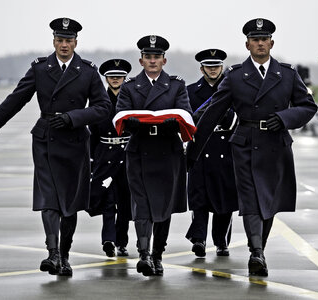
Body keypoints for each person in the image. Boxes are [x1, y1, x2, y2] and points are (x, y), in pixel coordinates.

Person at [0, 17, 111, 277]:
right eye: (60, 40)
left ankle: (65, 256)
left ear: (76, 42)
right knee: (49, 200)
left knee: (69, 205)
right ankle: (53, 253)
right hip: (46, 140)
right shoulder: (40, 68)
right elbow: (14, 101)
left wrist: (72, 117)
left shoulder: (89, 71)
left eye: (69, 40)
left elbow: (103, 107)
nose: (64, 45)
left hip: (75, 142)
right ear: (54, 41)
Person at [187, 18, 317, 276]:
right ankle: (256, 253)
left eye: (264, 39)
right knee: (251, 201)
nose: (260, 43)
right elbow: (213, 114)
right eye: (255, 40)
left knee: (269, 202)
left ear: (271, 43)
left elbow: (308, 106)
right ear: (247, 44)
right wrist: (192, 151)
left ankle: (260, 247)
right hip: (244, 144)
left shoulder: (287, 74)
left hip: (276, 144)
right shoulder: (235, 76)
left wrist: (284, 118)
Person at [115, 35, 192, 276]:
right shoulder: (129, 87)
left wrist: (170, 123)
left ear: (164, 60)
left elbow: (187, 115)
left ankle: (158, 253)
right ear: (141, 60)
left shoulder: (177, 85)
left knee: (164, 207)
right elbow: (120, 116)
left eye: (156, 57)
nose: (152, 61)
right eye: (148, 57)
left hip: (167, 152)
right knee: (142, 205)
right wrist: (136, 124)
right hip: (139, 151)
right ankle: (144, 254)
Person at [186, 49, 238, 257]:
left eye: (216, 66)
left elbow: (234, 120)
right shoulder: (190, 91)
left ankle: (221, 241)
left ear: (222, 67)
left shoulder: (233, 90)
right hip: (201, 148)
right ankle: (198, 239)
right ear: (201, 68)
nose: (213, 69)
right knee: (199, 197)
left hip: (225, 149)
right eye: (209, 66)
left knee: (224, 199)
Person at [88, 59, 132, 257]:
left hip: (126, 155)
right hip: (104, 155)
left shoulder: (131, 100)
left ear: (125, 78)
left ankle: (121, 241)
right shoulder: (98, 101)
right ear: (106, 78)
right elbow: (92, 133)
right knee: (107, 199)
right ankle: (108, 240)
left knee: (124, 201)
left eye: (119, 76)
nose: (115, 79)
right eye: (111, 76)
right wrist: (91, 159)